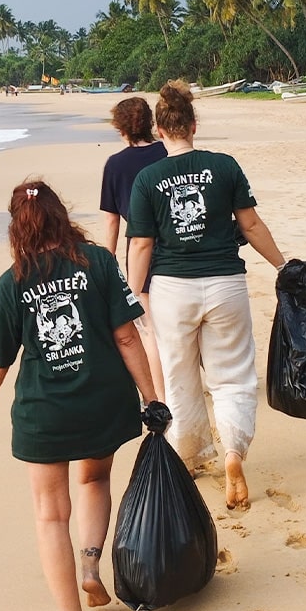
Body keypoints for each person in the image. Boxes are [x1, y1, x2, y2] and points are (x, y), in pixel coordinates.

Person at [0, 179, 163, 611]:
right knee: (96, 479)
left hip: (45, 414)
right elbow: (126, 336)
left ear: (18, 227)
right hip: (103, 402)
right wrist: (152, 397)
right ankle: (91, 565)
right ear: (63, 215)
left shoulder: (12, 281)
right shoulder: (99, 262)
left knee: (50, 515)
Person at [126, 80, 286, 511]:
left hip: (171, 289)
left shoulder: (147, 178)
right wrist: (283, 265)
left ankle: (190, 456)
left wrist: (133, 295)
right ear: (194, 125)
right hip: (224, 285)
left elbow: (140, 244)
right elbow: (250, 226)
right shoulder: (225, 166)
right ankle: (233, 454)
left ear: (159, 131)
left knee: (179, 378)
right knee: (233, 376)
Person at [100, 96, 168, 401]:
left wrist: (107, 259)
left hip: (140, 247)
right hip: (175, 239)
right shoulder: (168, 151)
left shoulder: (115, 164)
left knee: (150, 328)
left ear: (121, 127)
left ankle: (161, 395)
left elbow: (112, 221)